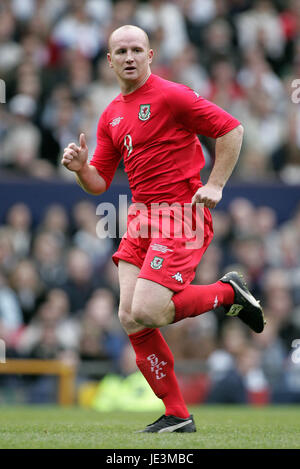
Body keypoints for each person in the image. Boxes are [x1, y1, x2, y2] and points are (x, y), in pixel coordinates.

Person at [62, 25, 265, 433]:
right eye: (121, 51)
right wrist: (82, 169)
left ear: (151, 55)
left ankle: (228, 292)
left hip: (181, 215)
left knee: (149, 310)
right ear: (110, 61)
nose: (130, 57)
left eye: (137, 49)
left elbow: (232, 129)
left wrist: (216, 184)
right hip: (140, 216)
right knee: (130, 317)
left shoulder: (172, 95)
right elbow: (99, 181)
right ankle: (177, 415)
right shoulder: (111, 114)